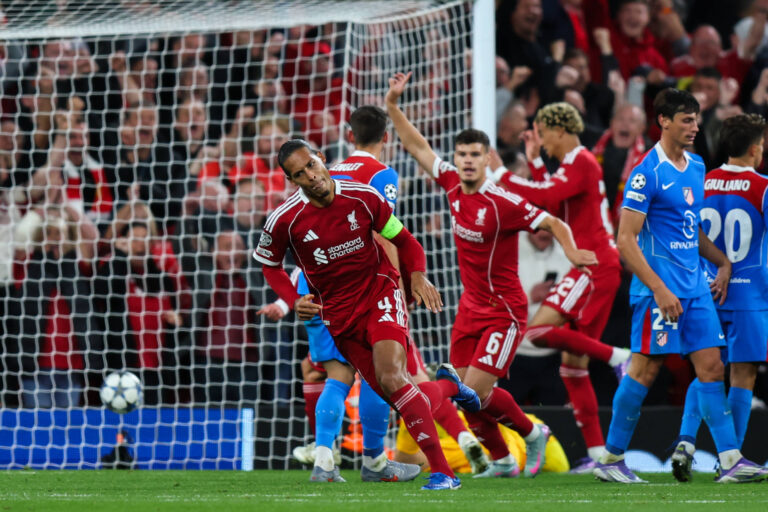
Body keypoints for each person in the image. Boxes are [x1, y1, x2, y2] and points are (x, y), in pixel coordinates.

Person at [386, 72, 599, 478]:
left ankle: (532, 431)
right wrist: (394, 106)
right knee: (469, 401)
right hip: (470, 307)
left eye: (474, 155)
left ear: (487, 159)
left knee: (475, 392)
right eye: (461, 154)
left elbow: (553, 221)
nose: (466, 161)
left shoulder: (503, 202)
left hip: (504, 310)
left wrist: (571, 251)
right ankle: (502, 461)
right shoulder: (449, 182)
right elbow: (418, 147)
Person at [256, 138, 478, 491]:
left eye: (311, 166)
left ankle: (443, 473)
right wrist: (291, 299)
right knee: (397, 392)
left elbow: (405, 240)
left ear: (322, 159)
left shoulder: (363, 197)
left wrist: (416, 274)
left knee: (391, 377)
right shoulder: (285, 220)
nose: (311, 176)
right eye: (300, 174)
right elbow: (270, 267)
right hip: (339, 317)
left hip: (380, 293)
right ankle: (449, 386)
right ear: (291, 181)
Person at [594, 88, 768, 483]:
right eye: (686, 120)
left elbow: (691, 231)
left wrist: (720, 260)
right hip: (659, 290)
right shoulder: (646, 172)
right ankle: (610, 458)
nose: (694, 126)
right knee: (644, 370)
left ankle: (730, 459)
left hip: (695, 287)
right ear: (664, 122)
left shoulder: (696, 166)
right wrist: (658, 288)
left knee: (711, 366)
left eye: (696, 119)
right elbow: (625, 239)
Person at [493, 102, 630, 471]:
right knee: (572, 367)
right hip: (594, 264)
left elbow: (549, 199)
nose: (542, 141)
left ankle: (618, 356)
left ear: (559, 129)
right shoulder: (575, 163)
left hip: (592, 264)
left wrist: (502, 174)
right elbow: (553, 193)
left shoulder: (581, 160)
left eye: (542, 133)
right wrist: (535, 161)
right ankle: (600, 454)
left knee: (538, 331)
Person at [671, 114, 768, 482]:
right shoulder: (763, 187)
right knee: (742, 375)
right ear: (756, 148)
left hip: (705, 292)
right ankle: (732, 462)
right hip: (750, 296)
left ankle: (685, 441)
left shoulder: (700, 182)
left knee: (706, 370)